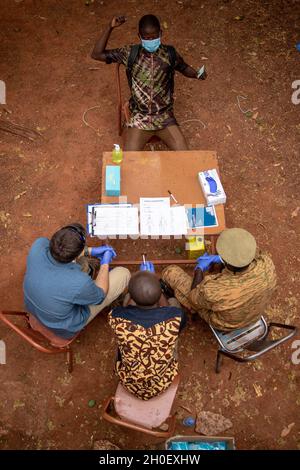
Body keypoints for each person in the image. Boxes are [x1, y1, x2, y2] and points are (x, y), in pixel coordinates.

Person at [91, 14, 206, 151]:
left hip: (164, 118)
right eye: (146, 37)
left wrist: (197, 74)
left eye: (154, 36)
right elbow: (96, 54)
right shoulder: (130, 53)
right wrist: (110, 27)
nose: (150, 40)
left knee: (184, 156)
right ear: (139, 36)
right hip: (140, 118)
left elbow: (184, 68)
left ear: (161, 34)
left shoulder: (169, 54)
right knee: (129, 161)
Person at [23, 223, 130, 339]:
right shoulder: (79, 282)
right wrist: (105, 263)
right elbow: (100, 295)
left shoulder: (38, 245)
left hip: (34, 310)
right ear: (75, 256)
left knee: (83, 266)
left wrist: (90, 251)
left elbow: (58, 251)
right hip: (63, 328)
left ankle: (87, 267)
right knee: (123, 273)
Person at [161, 228, 277, 331]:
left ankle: (171, 293)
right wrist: (221, 259)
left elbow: (193, 298)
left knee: (170, 272)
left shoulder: (214, 290)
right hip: (253, 314)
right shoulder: (267, 264)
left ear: (227, 262)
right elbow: (255, 253)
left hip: (227, 324)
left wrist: (199, 269)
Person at [108, 261, 186, 400]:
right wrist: (155, 284)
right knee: (174, 303)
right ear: (159, 295)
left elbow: (126, 307)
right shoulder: (176, 318)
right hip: (163, 381)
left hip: (129, 382)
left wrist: (135, 289)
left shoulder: (116, 317)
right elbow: (168, 310)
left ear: (131, 297)